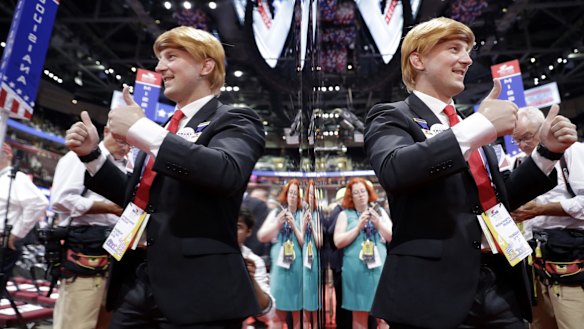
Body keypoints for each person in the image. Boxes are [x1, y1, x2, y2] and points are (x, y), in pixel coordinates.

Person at [364, 17, 578, 329]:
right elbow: (395, 169)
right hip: (432, 292)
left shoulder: (467, 123)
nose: (467, 59)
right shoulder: (392, 116)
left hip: (499, 282)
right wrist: (478, 126)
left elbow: (496, 197)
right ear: (418, 59)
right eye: (454, 49)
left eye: (467, 51)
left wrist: (546, 153)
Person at [64, 26, 265, 328]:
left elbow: (227, 172)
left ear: (206, 65)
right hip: (138, 280)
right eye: (159, 59)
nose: (159, 68)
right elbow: (138, 199)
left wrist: (142, 130)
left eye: (171, 56)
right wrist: (92, 155)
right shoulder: (161, 129)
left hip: (198, 291)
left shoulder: (235, 118)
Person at [510, 106, 584, 329]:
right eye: (516, 140)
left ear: (543, 128)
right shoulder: (519, 164)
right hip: (534, 267)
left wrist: (541, 209)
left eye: (527, 137)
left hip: (570, 263)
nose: (522, 145)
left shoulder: (573, 152)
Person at [50, 126, 129, 329]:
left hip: (117, 251)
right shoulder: (79, 157)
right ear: (107, 131)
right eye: (121, 140)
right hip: (85, 248)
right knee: (77, 319)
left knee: (106, 317)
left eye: (130, 143)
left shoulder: (128, 165)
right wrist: (108, 208)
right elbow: (61, 200)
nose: (126, 147)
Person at [333, 178, 392, 329]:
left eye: (362, 191)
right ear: (351, 196)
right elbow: (338, 242)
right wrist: (358, 227)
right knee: (358, 317)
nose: (360, 195)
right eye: (356, 192)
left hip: (379, 270)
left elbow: (391, 237)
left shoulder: (379, 212)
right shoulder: (344, 215)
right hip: (355, 271)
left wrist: (378, 223)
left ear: (368, 193)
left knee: (383, 317)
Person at [0, 142, 48, 290]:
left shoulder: (16, 178)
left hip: (4, 241)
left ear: (8, 156)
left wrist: (16, 233)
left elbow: (39, 203)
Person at [256, 179, 303, 329]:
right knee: (277, 313)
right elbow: (262, 236)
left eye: (296, 193)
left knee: (299, 314)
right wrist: (277, 224)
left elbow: (310, 244)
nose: (293, 196)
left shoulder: (305, 214)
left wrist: (295, 226)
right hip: (280, 269)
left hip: (300, 268)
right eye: (290, 193)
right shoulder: (277, 212)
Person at [237, 206, 275, 327]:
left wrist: (251, 279)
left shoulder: (254, 261)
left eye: (238, 227)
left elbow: (267, 314)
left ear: (248, 231)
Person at [302, 180, 321, 329]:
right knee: (302, 295)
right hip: (300, 258)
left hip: (314, 259)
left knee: (313, 298)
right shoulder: (300, 213)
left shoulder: (318, 215)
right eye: (309, 195)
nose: (311, 198)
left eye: (313, 196)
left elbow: (319, 242)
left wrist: (313, 226)